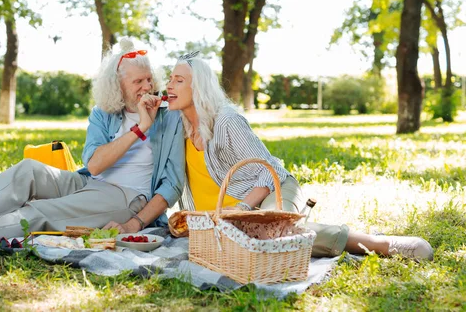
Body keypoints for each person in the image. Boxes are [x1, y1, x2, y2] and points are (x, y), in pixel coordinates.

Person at [0, 38, 185, 253]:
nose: (147, 87)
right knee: (29, 170)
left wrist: (134, 224)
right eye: (138, 81)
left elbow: (171, 186)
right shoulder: (104, 113)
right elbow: (94, 164)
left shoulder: (168, 118)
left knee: (39, 212)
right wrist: (138, 129)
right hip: (89, 182)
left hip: (127, 199)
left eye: (149, 79)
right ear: (118, 87)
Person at [165, 53, 434, 261]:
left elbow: (267, 169)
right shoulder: (176, 126)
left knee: (271, 234)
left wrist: (243, 209)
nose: (169, 85)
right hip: (222, 221)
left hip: (270, 189)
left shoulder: (226, 121)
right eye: (170, 79)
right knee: (246, 244)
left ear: (199, 88)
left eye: (179, 80)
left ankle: (375, 243)